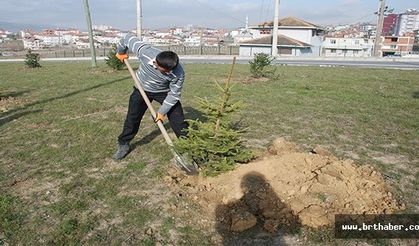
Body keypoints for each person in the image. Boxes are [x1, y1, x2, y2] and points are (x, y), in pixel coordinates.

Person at [113, 33, 188, 160]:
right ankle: (123, 143)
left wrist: (161, 112)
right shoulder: (145, 51)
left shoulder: (178, 73)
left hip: (164, 92)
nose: (169, 73)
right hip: (141, 88)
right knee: (133, 117)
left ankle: (188, 147)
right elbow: (127, 38)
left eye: (171, 71)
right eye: (166, 71)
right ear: (157, 64)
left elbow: (174, 94)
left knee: (178, 119)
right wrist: (120, 52)